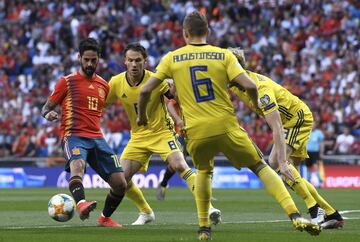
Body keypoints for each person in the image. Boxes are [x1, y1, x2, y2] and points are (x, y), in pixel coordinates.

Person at [137, 11, 321, 240]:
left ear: (184, 33)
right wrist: (255, 103)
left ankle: (204, 228)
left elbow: (145, 90)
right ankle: (294, 215)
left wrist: (141, 117)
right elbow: (250, 85)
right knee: (260, 167)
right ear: (208, 32)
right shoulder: (223, 55)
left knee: (203, 171)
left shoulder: (171, 58)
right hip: (226, 126)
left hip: (196, 130)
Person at [105, 43, 221, 226]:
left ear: (145, 61)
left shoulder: (156, 80)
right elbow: (102, 105)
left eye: (138, 61)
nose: (134, 65)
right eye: (131, 61)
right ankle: (146, 212)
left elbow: (174, 98)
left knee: (179, 164)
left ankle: (208, 207)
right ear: (124, 62)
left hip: (162, 133)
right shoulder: (116, 83)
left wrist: (179, 95)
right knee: (120, 179)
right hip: (138, 137)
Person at [228, 47, 343, 229]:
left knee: (276, 163)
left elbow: (277, 126)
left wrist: (282, 160)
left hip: (296, 119)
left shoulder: (261, 90)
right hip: (291, 119)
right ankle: (331, 213)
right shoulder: (238, 85)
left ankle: (314, 209)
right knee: (292, 175)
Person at [41, 38, 127, 228]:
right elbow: (45, 108)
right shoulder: (67, 82)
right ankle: (81, 204)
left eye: (93, 60)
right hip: (73, 136)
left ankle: (104, 218)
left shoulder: (104, 86)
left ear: (99, 59)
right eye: (86, 59)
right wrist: (49, 114)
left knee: (121, 184)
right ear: (79, 58)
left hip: (97, 138)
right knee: (78, 166)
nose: (89, 64)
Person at [306, 121, 325, 187]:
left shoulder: (318, 133)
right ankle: (308, 180)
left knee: (315, 166)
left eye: (313, 125)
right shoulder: (307, 132)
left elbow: (321, 143)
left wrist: (321, 152)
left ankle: (319, 181)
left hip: (315, 152)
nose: (312, 126)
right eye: (311, 124)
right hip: (307, 152)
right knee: (308, 167)